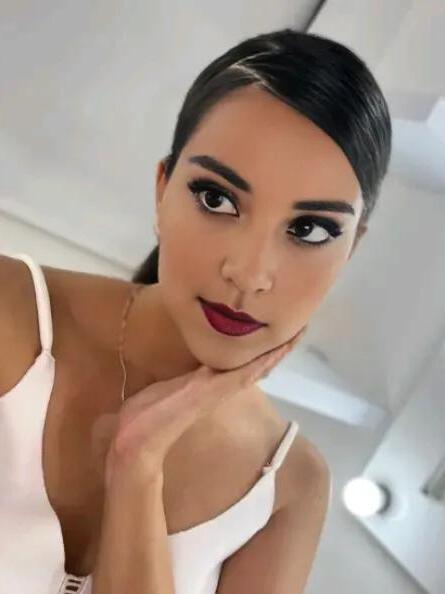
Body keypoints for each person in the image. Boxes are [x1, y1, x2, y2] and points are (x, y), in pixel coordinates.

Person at [0, 27, 391, 594]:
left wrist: (138, 462)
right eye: (217, 198)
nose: (250, 273)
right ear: (162, 190)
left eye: (309, 229)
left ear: (350, 250)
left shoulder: (288, 487)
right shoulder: (10, 309)